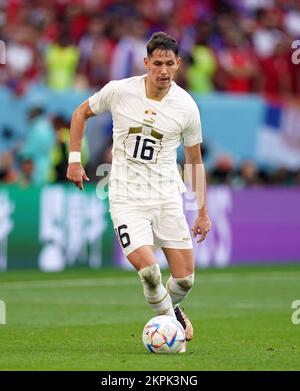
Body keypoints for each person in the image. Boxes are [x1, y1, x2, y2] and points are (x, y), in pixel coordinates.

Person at [67, 32, 211, 352]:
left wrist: (202, 210)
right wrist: (74, 160)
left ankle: (170, 310)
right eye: (157, 63)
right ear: (146, 63)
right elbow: (80, 114)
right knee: (148, 271)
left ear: (178, 64)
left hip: (166, 196)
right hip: (126, 196)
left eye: (169, 64)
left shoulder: (186, 107)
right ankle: (169, 327)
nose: (163, 70)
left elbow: (195, 161)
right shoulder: (120, 91)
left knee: (185, 280)